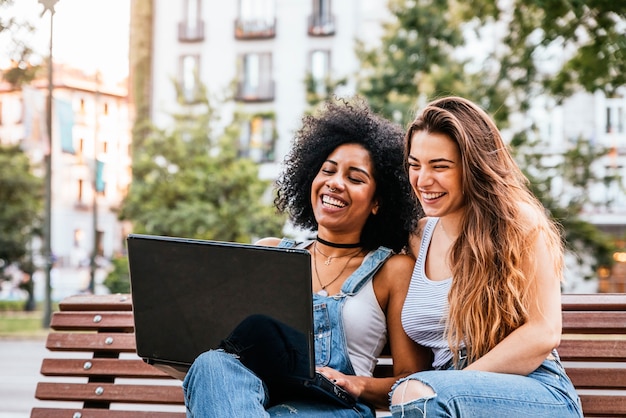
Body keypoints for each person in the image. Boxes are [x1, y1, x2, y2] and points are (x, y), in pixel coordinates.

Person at [182, 97, 430, 417]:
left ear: (378, 203)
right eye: (327, 171)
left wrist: (356, 384)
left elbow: (413, 380)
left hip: (335, 408)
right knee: (212, 363)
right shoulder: (270, 253)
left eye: (355, 178)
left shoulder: (393, 270)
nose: (335, 183)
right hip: (254, 405)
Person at [388, 96, 583, 417]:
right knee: (415, 396)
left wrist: (451, 385)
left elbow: (543, 332)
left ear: (473, 166)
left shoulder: (517, 224)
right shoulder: (417, 238)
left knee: (418, 396)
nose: (423, 180)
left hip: (533, 390)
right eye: (414, 165)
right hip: (445, 396)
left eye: (440, 166)